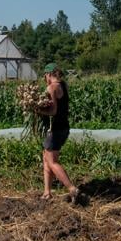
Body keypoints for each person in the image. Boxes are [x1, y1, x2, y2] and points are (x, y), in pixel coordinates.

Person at [38, 63, 79, 202]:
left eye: (45, 76)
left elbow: (53, 111)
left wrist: (37, 110)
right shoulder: (63, 86)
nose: (45, 79)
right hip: (64, 127)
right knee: (46, 158)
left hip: (54, 129)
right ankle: (47, 192)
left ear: (49, 74)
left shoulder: (51, 87)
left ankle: (72, 189)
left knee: (52, 161)